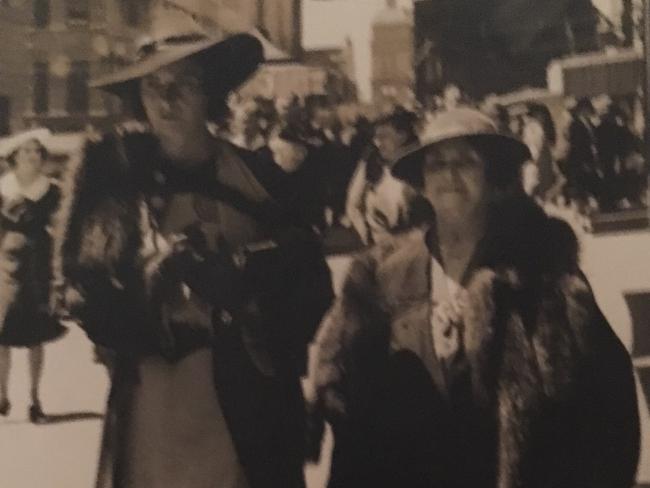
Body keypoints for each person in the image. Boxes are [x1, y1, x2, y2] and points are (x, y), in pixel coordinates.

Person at [53, 3, 333, 487]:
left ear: (211, 93)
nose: (167, 100)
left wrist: (243, 283)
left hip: (246, 405)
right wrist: (147, 286)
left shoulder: (259, 180)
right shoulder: (116, 184)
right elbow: (82, 295)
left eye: (183, 84)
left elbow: (313, 287)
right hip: (153, 403)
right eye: (153, 87)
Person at [306, 108, 639, 487]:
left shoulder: (541, 271)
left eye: (466, 162)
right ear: (421, 181)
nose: (449, 176)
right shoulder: (384, 276)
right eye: (436, 164)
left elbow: (607, 405)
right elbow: (351, 413)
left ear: (493, 175)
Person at [0, 128, 67, 424]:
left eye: (37, 151)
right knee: (2, 331)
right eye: (26, 151)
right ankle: (1, 395)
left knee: (35, 334)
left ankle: (34, 399)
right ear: (14, 156)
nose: (32, 156)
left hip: (38, 266)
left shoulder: (51, 190)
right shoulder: (3, 187)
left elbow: (61, 224)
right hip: (5, 263)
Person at [346, 109, 431, 245]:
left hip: (417, 247)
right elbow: (352, 205)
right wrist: (366, 237)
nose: (378, 143)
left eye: (384, 137)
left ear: (402, 136)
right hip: (379, 246)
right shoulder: (371, 164)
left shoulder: (422, 164)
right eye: (376, 138)